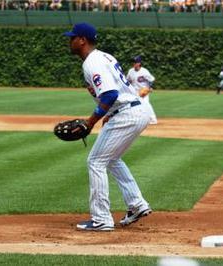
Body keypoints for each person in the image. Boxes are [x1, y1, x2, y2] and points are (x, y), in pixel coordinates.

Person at [64, 22, 152, 231]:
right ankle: (137, 204)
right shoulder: (104, 56)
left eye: (72, 38)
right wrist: (109, 114)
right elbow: (118, 90)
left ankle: (101, 219)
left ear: (82, 40)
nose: (70, 41)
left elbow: (111, 93)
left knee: (95, 161)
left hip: (128, 113)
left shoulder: (92, 62)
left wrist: (91, 121)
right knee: (111, 159)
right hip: (133, 111)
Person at [126, 55, 157, 124]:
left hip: (144, 91)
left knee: (146, 104)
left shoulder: (144, 71)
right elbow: (128, 81)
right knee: (133, 105)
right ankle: (136, 118)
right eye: (133, 62)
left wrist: (150, 87)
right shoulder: (130, 71)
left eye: (135, 62)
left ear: (139, 63)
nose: (133, 63)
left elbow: (152, 79)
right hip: (134, 92)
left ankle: (153, 119)